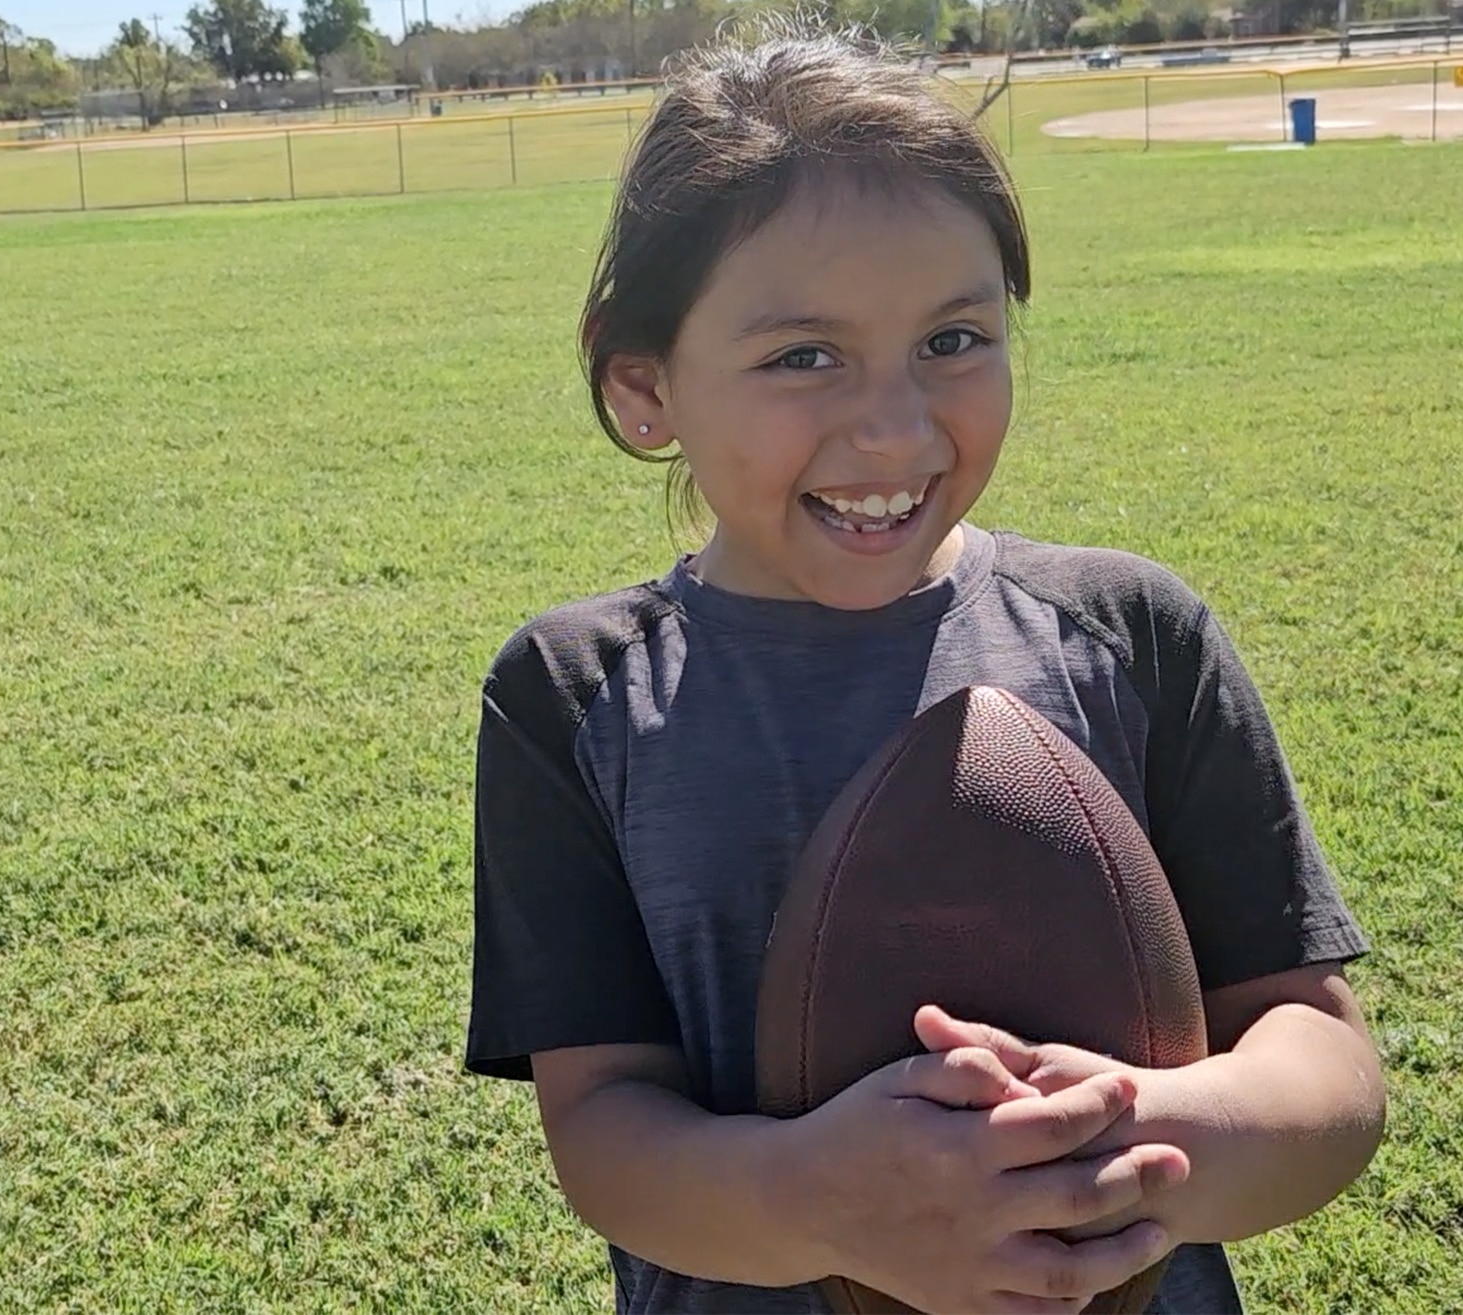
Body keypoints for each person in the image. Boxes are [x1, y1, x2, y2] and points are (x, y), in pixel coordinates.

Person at [465, 22, 1385, 1315]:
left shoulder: (1137, 635)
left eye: (955, 339)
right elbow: (605, 1127)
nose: (894, 427)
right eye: (802, 356)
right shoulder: (573, 694)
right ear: (645, 386)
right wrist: (837, 1204)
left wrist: (1105, 1150)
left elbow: (1324, 1065)